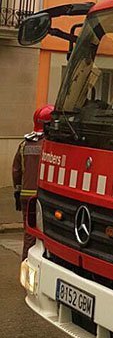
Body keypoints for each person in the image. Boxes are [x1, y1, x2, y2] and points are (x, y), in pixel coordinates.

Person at [12, 105, 54, 260]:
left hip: (25, 196)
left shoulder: (24, 144)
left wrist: (17, 191)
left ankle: (27, 263)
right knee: (45, 236)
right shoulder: (49, 146)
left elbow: (16, 171)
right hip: (42, 197)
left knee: (29, 234)